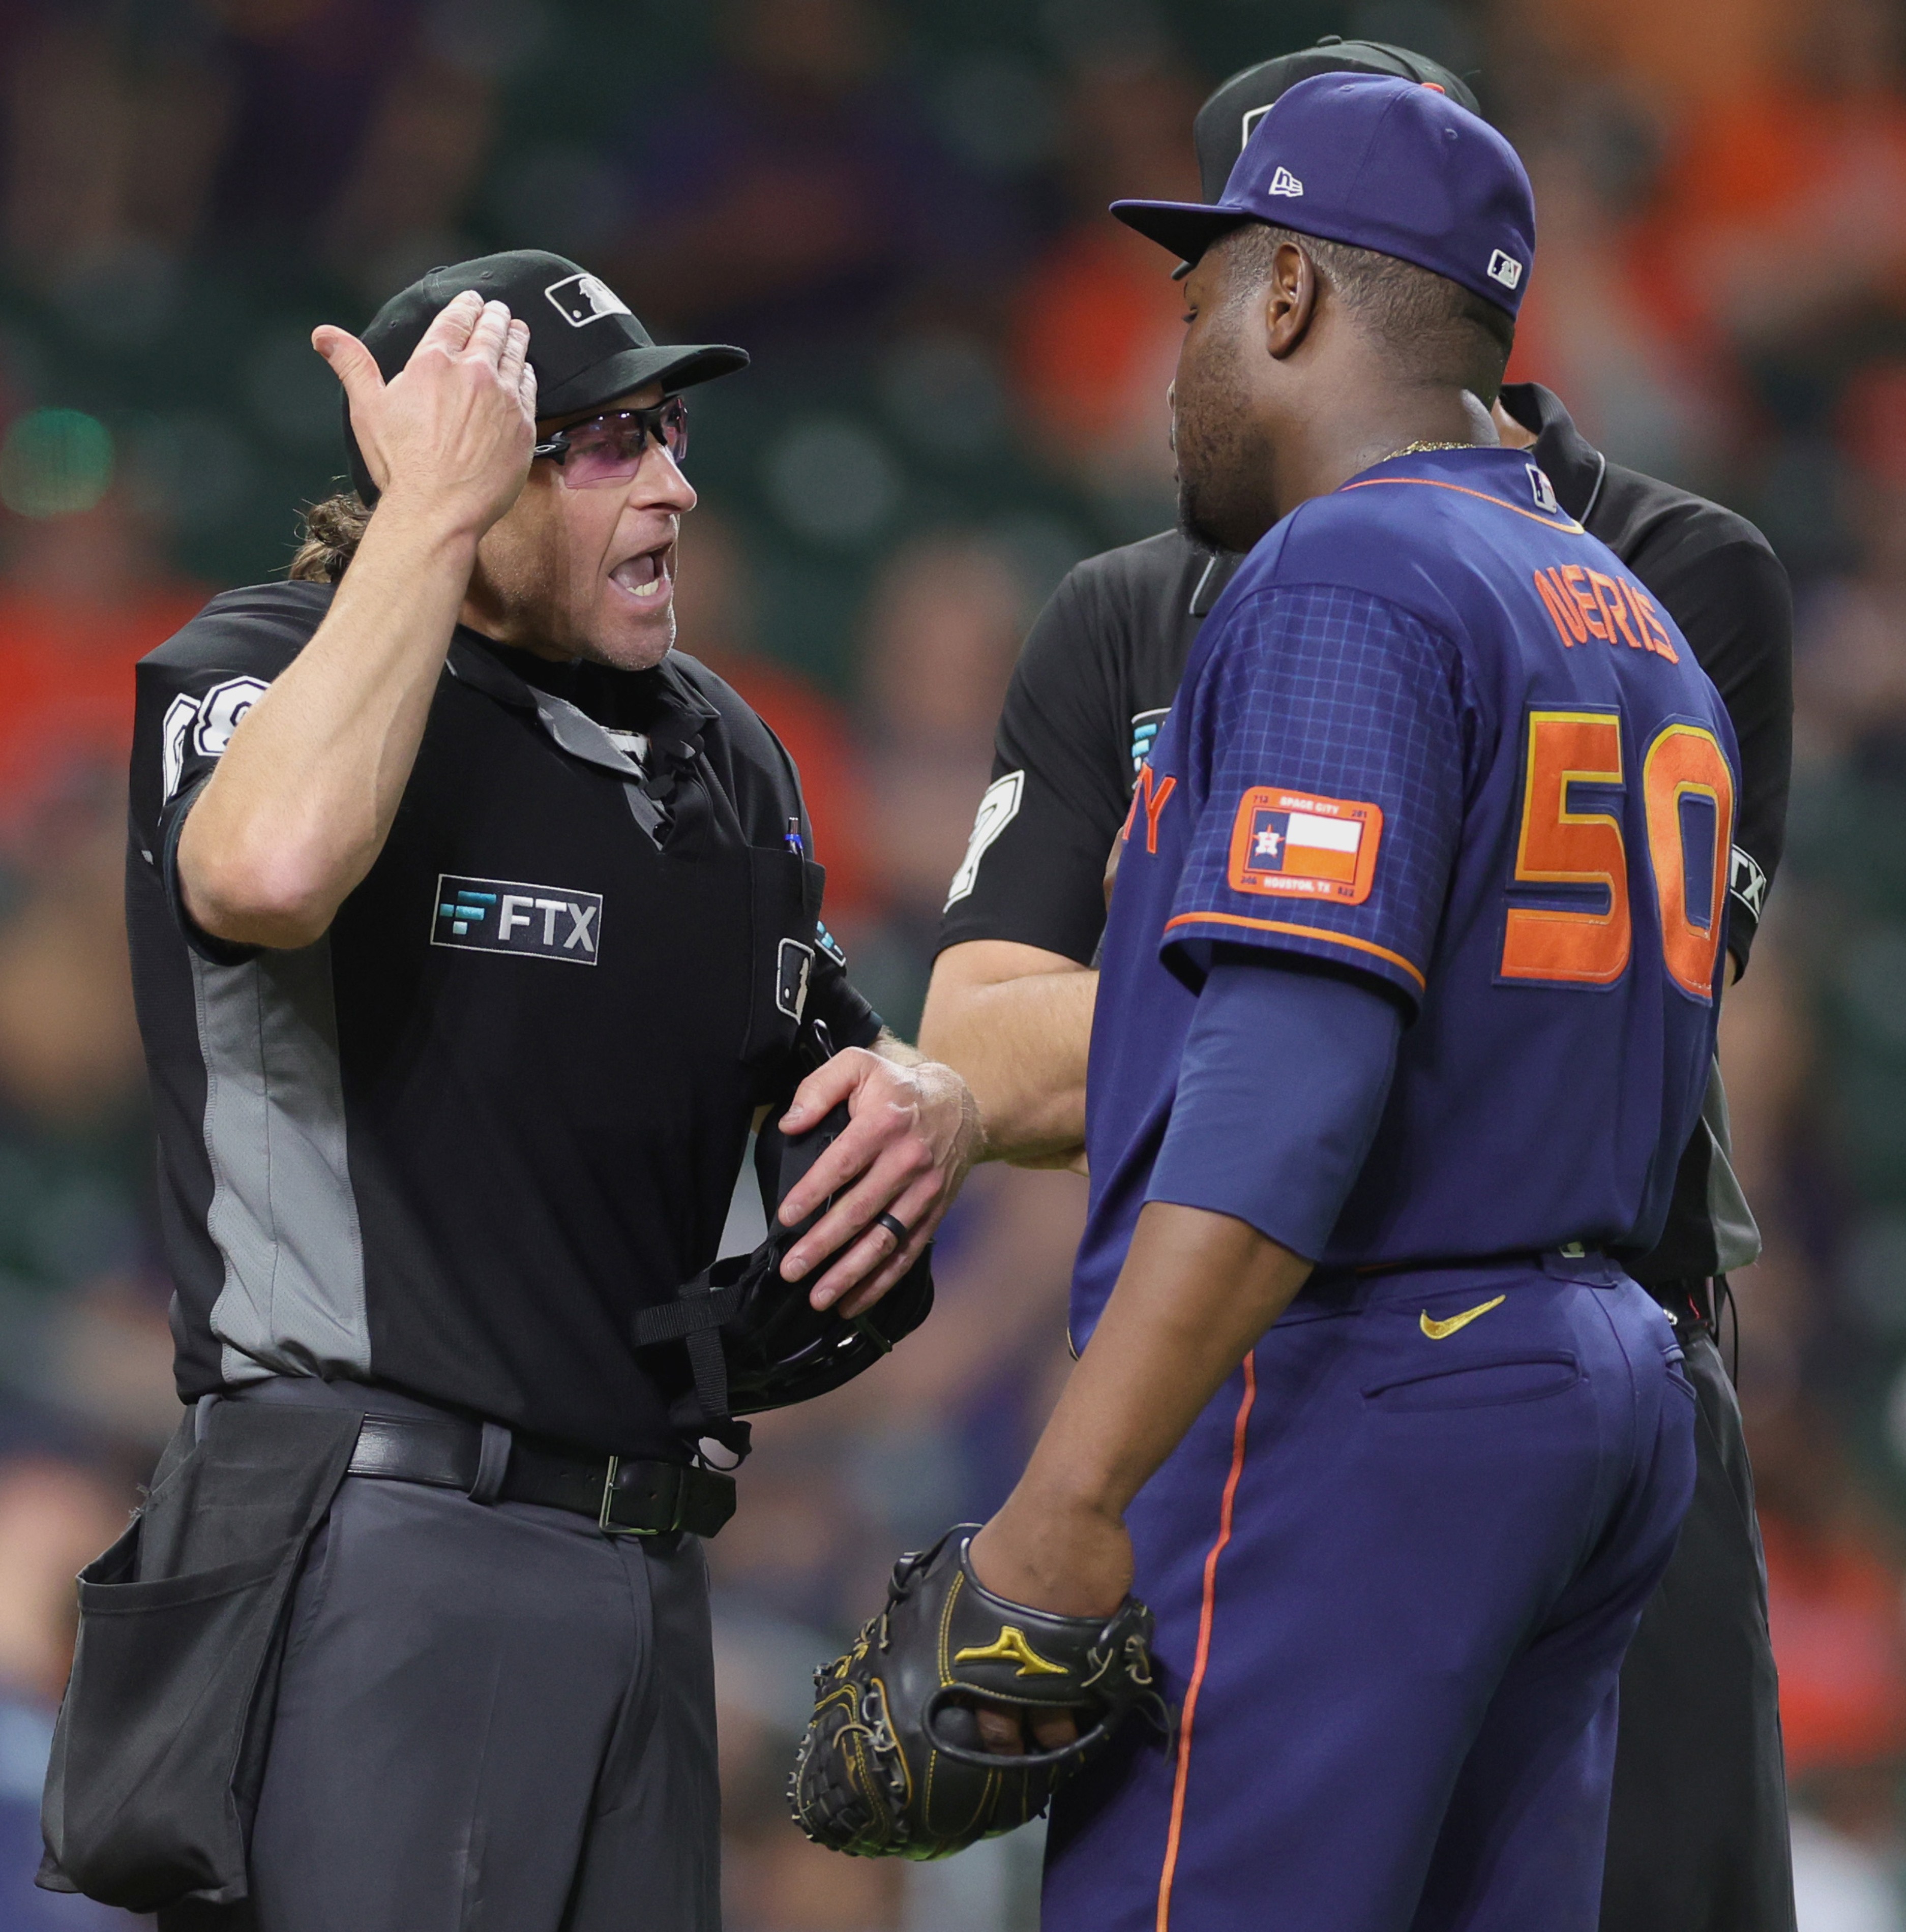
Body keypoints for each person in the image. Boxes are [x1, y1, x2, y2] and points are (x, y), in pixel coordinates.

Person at [924, 42, 1795, 1932]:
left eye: (1203, 296)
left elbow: (1290, 1089)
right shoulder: (1620, 609)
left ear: (1296, 291)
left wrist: (1071, 1491)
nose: (1179, 355)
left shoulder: (1347, 576)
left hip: (1368, 1390)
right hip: (1604, 1386)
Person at [53, 250, 979, 1932]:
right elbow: (265, 871)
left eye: (672, 433)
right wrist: (428, 517)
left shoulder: (716, 747)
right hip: (376, 1536)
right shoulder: (265, 661)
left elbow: (833, 1038)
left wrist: (926, 1095)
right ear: (459, 474)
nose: (678, 485)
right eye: (606, 443)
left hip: (649, 1559)